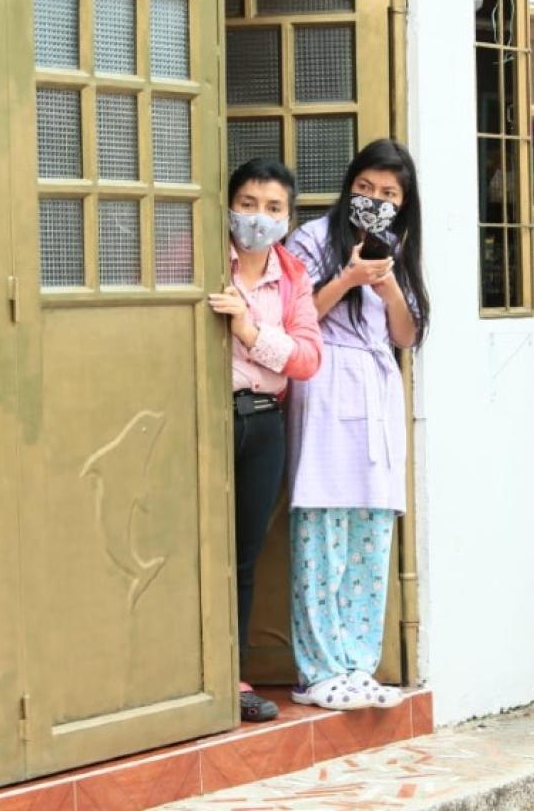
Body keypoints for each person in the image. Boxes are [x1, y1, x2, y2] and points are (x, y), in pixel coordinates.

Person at [282, 139, 429, 710]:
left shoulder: (401, 248)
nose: (375, 200)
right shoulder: (313, 239)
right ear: (350, 187)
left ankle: (358, 665)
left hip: (375, 391)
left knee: (371, 530)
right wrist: (346, 277)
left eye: (389, 194)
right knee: (322, 529)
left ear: (403, 202)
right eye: (366, 189)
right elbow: (298, 316)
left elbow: (405, 335)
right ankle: (319, 671)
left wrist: (387, 280)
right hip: (324, 385)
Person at [208, 158, 323, 722]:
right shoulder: (201, 257)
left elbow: (307, 358)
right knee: (192, 549)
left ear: (288, 216)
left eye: (273, 208)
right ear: (229, 205)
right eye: (248, 204)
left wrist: (249, 331)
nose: (258, 218)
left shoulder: (293, 276)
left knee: (244, 557)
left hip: (264, 423)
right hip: (204, 419)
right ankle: (185, 676)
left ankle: (233, 676)